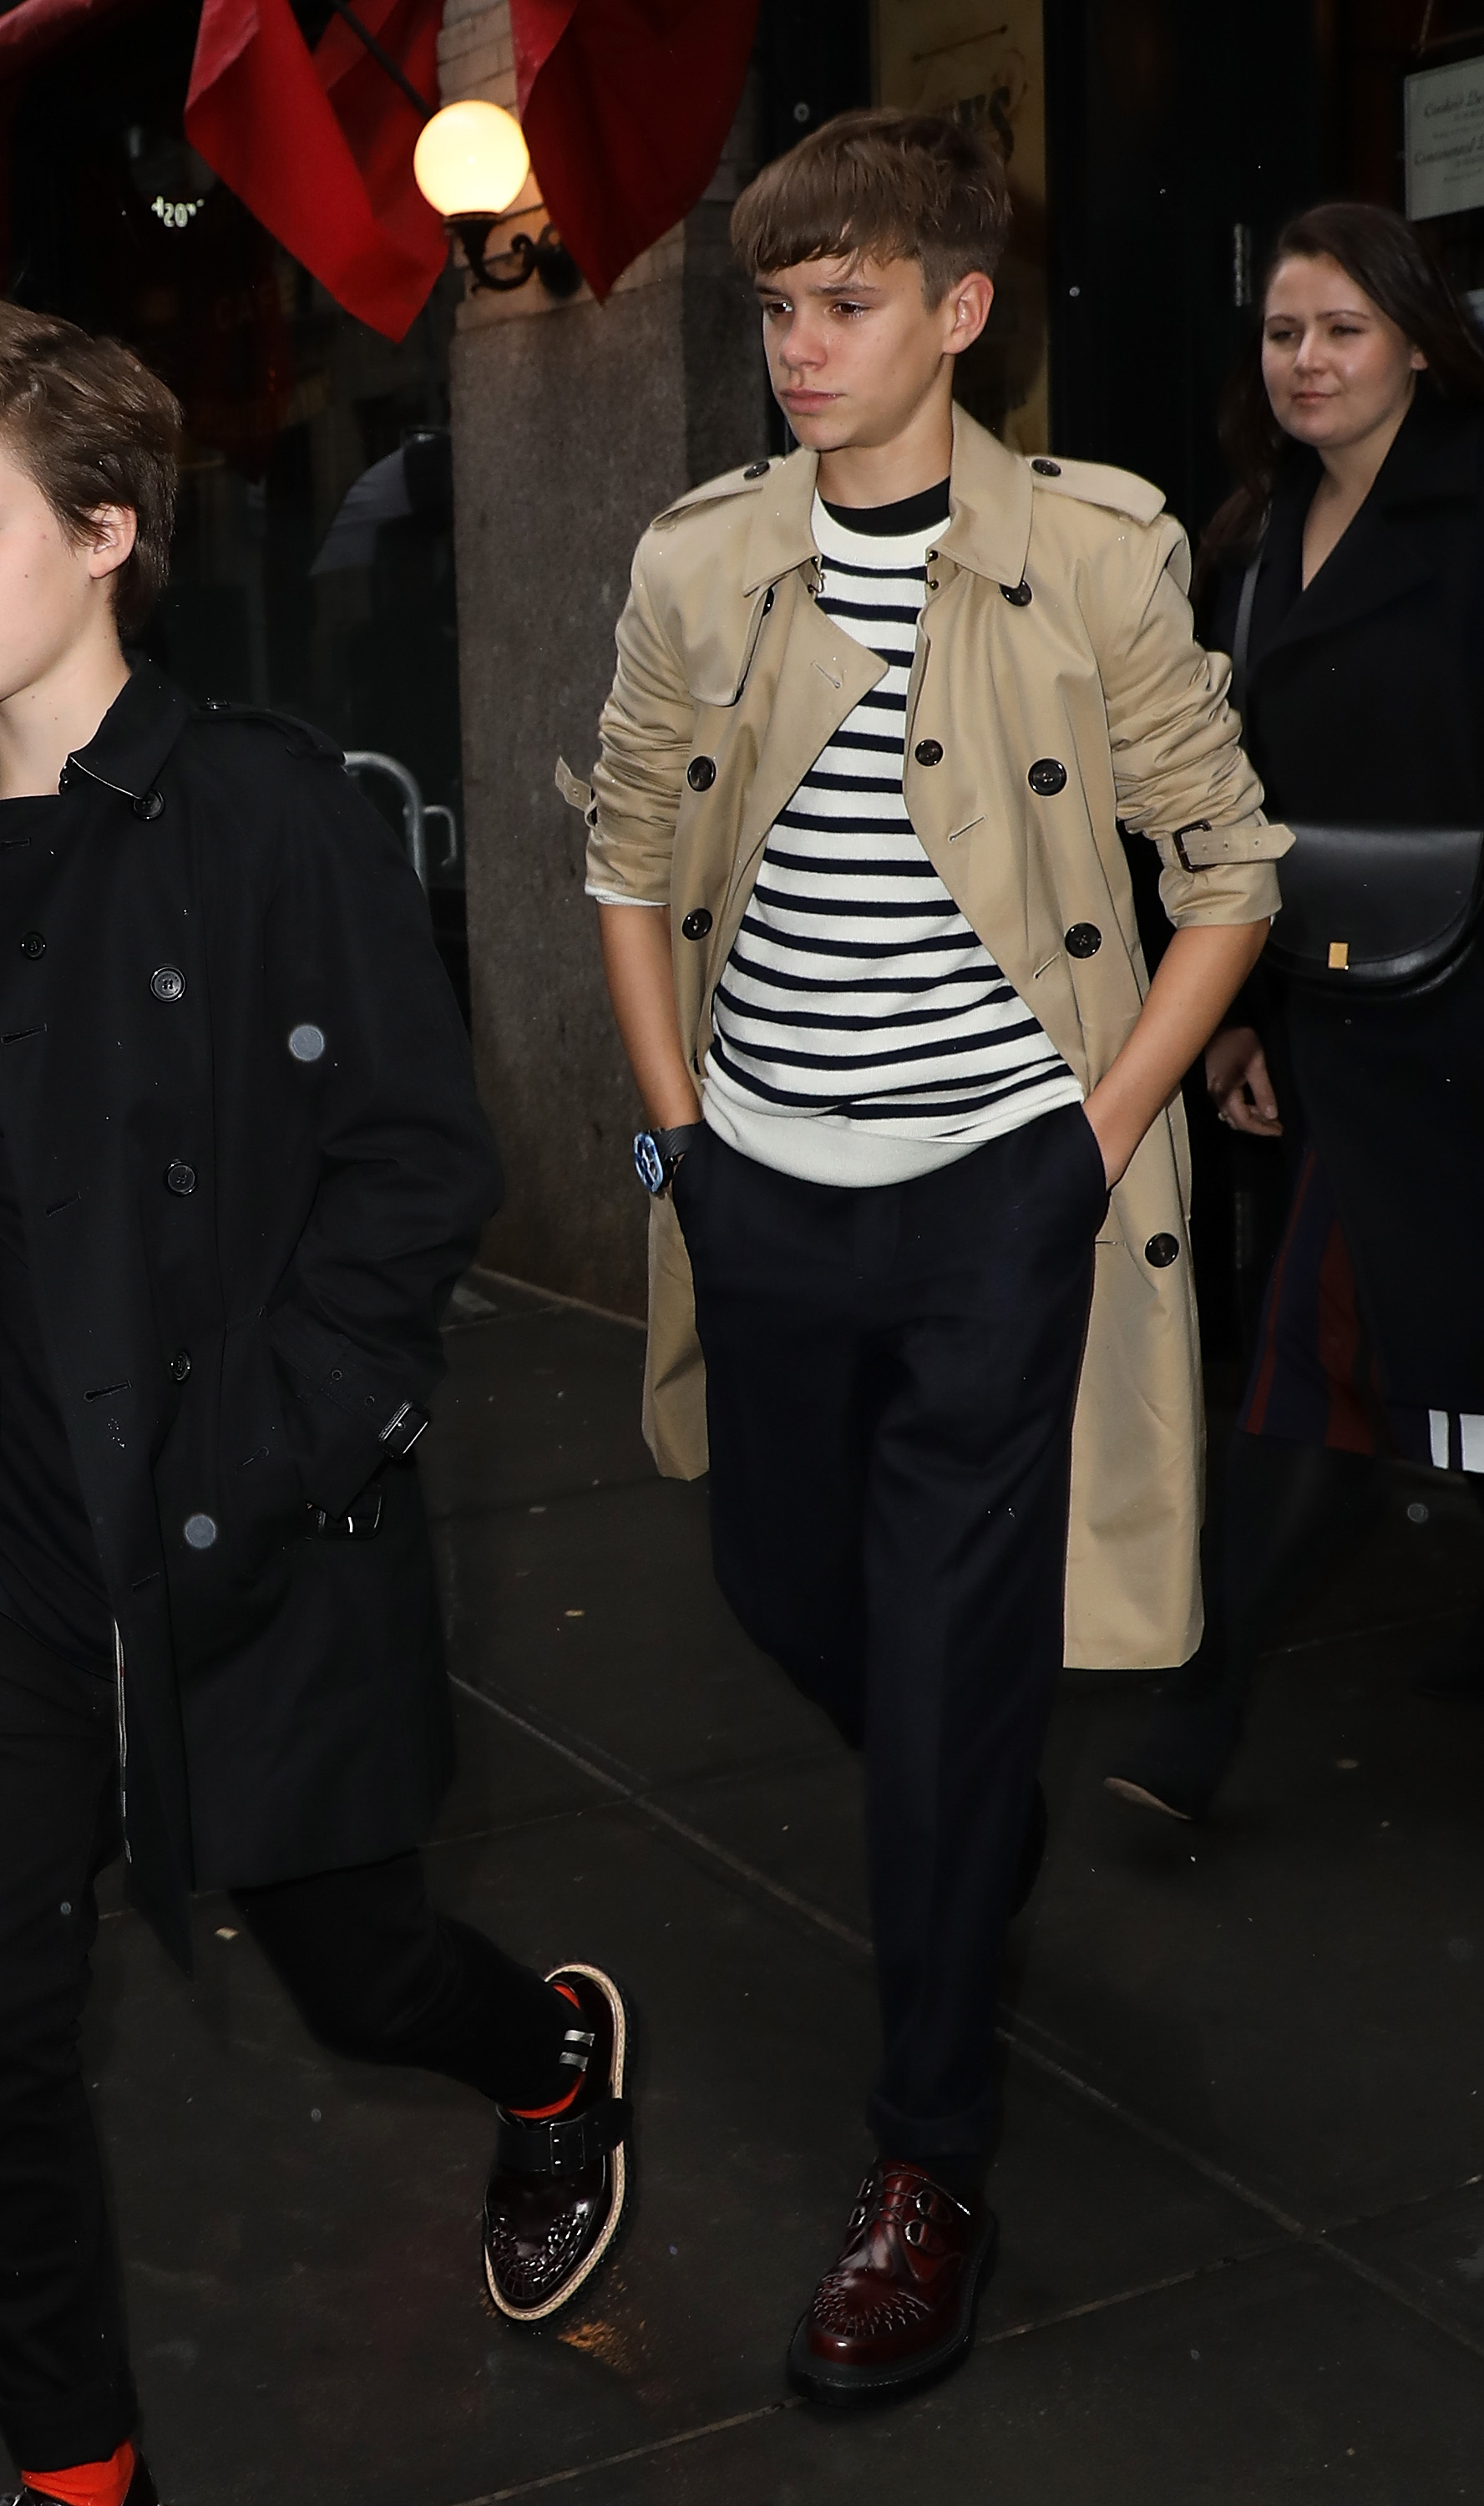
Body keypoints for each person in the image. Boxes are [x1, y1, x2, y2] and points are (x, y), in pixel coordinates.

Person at [573, 106, 1288, 2404]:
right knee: (782, 1586)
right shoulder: (702, 561)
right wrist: (682, 1143)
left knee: (943, 1687)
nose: (800, 345)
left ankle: (927, 2170)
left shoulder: (1091, 552)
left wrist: (1087, 1143)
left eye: (847, 302)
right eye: (777, 307)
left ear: (962, 310)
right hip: (761, 1184)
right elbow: (622, 861)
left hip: (998, 1189)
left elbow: (1230, 872)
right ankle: (964, 1793)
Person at [0, 306, 635, 2506]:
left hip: (227, 1542)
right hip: (14, 1547)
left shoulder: (259, 809)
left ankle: (549, 2060)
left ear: (106, 531)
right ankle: (78, 2473)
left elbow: (416, 1168)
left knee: (358, 1977)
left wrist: (265, 1460)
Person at [1106, 202, 1484, 1826]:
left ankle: (1201, 1709)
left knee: (1331, 1341)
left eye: (1341, 328)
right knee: (1399, 1320)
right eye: (1283, 333)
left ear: (1417, 337)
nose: (1307, 361)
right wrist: (1234, 1014)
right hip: (1326, 995)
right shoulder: (1252, 530)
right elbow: (1231, 799)